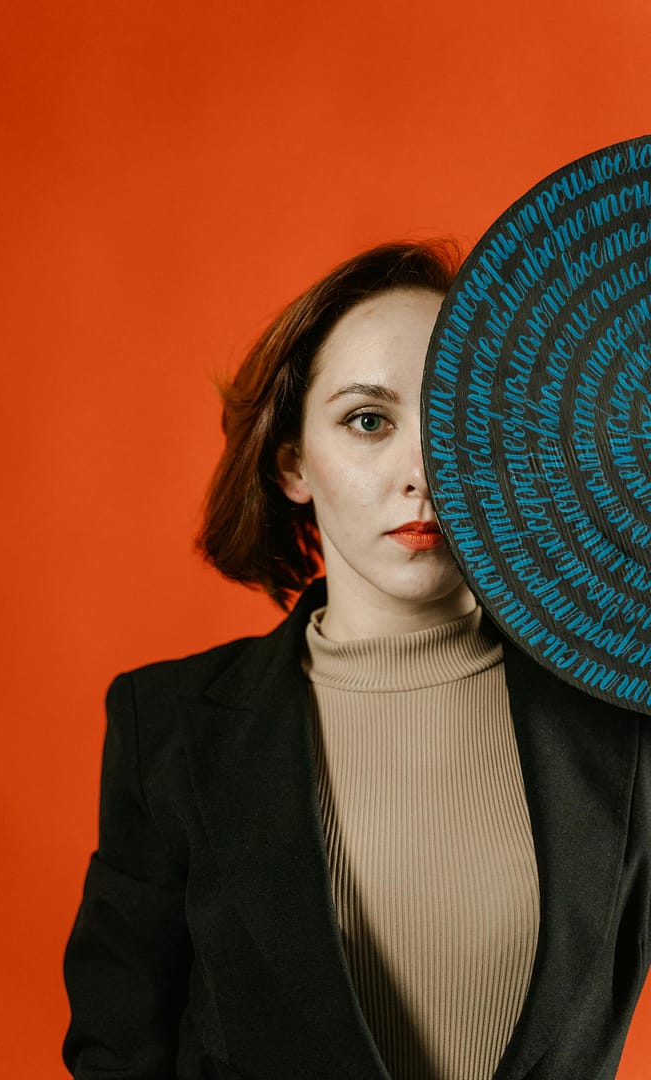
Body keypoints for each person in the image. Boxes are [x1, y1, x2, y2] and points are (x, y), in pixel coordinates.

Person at [63, 242, 651, 1080]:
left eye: (461, 422)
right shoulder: (170, 727)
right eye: (369, 421)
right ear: (293, 462)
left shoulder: (620, 713)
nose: (424, 473)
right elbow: (118, 1049)